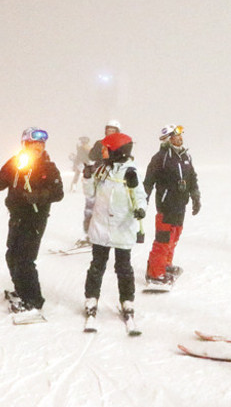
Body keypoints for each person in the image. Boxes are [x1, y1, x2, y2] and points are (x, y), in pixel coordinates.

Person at [0, 127, 64, 318]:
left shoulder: (49, 167)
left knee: (25, 260)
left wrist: (39, 196)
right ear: (25, 144)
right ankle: (22, 291)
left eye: (41, 144)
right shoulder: (15, 163)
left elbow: (58, 193)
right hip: (16, 216)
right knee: (12, 256)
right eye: (34, 144)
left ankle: (34, 299)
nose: (39, 148)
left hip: (35, 218)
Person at [82, 132, 147, 324]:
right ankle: (91, 298)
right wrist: (87, 178)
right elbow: (90, 193)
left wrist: (141, 209)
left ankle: (127, 300)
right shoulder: (102, 170)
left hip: (122, 227)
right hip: (101, 226)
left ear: (117, 151)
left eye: (105, 149)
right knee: (97, 266)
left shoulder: (131, 172)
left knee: (123, 267)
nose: (102, 153)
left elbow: (140, 196)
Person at [143, 124, 201, 287]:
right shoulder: (160, 157)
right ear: (168, 139)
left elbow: (192, 177)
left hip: (180, 203)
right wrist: (142, 202)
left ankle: (165, 264)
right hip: (166, 204)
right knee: (163, 239)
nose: (179, 139)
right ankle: (155, 273)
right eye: (175, 137)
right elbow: (148, 182)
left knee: (175, 235)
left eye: (180, 136)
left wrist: (195, 196)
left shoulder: (186, 156)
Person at [80, 120, 121, 246]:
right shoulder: (100, 143)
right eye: (108, 130)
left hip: (112, 179)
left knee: (109, 209)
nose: (110, 133)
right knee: (90, 206)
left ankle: (108, 235)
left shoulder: (121, 145)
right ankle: (89, 234)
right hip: (97, 176)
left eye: (113, 130)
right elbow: (92, 156)